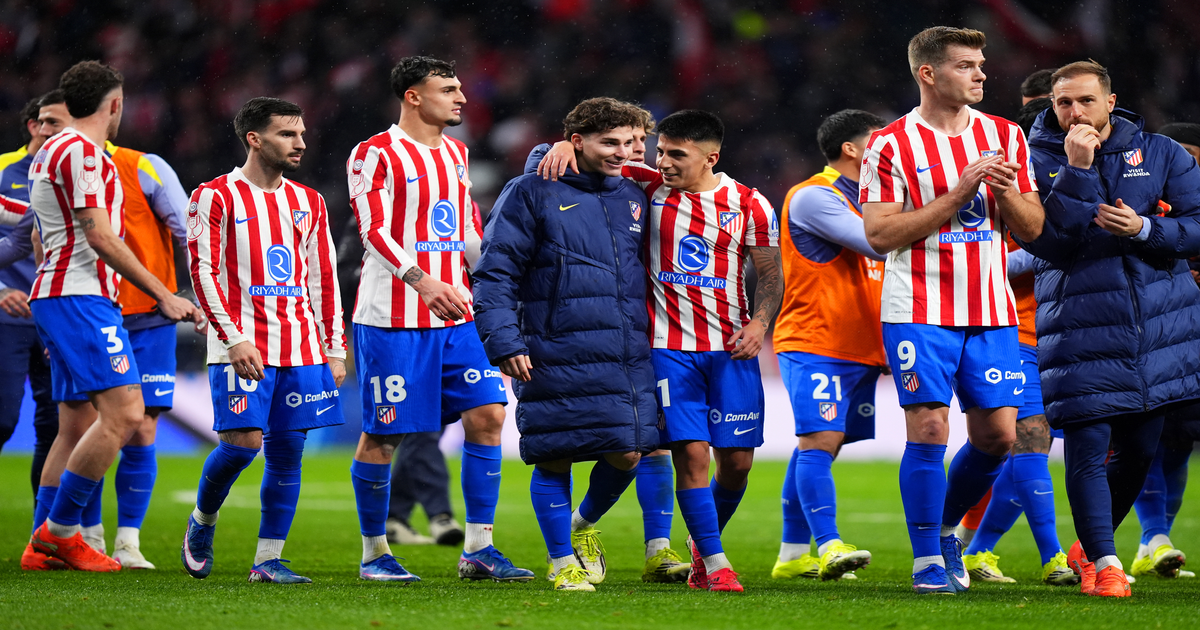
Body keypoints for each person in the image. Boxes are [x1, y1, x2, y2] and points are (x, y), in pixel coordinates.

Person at [538, 109, 782, 593]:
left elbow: (771, 275)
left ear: (711, 157)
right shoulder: (646, 187)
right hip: (667, 349)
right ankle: (715, 564)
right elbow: (586, 152)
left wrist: (759, 323)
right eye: (660, 151)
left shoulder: (751, 204)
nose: (661, 161)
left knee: (736, 465)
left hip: (730, 351)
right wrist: (557, 146)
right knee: (690, 455)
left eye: (676, 154)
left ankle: (698, 547)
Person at [860, 26, 1044, 595]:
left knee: (997, 437)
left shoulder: (1007, 136)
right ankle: (925, 561)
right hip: (916, 305)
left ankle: (943, 527)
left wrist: (1005, 192)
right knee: (931, 426)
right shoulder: (889, 144)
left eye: (981, 64)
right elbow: (880, 235)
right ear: (928, 74)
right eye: (967, 65)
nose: (982, 74)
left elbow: (1033, 229)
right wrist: (959, 194)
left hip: (991, 309)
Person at [1020, 60, 1200, 597]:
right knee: (1087, 441)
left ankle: (1089, 547)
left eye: (1085, 101)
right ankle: (1105, 563)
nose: (1074, 112)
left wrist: (1145, 228)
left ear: (1111, 101)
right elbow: (1048, 244)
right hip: (1078, 325)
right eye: (1063, 103)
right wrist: (1075, 170)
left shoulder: (1163, 153)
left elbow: (1197, 227)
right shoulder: (1033, 161)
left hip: (1157, 327)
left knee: (1141, 450)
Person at [345, 56, 523, 583]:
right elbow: (372, 229)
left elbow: (465, 228)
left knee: (489, 414)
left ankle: (478, 549)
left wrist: (496, 280)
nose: (461, 97)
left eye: (460, 88)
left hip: (458, 314)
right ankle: (375, 553)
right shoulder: (374, 152)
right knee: (384, 436)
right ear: (413, 96)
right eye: (448, 89)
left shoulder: (457, 153)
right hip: (393, 316)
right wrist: (420, 280)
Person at [473, 97, 659, 592]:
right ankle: (561, 562)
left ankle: (580, 525)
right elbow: (495, 274)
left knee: (630, 452)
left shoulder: (635, 197)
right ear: (577, 142)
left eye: (629, 143)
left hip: (624, 350)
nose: (622, 153)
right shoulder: (530, 191)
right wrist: (504, 340)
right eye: (609, 143)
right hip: (551, 345)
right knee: (554, 454)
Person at [27, 60, 200, 573]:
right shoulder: (83, 152)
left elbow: (41, 236)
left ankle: (43, 545)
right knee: (125, 415)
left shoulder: (49, 151)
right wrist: (163, 293)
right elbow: (100, 234)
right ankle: (59, 534)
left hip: (59, 295)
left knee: (75, 423)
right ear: (115, 104)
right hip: (80, 298)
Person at [181, 97, 346, 584]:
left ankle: (268, 560)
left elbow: (323, 277)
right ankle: (202, 519)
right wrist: (232, 338)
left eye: (300, 134)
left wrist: (333, 346)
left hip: (299, 347)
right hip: (241, 343)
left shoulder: (309, 201)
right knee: (241, 445)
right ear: (254, 139)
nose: (300, 143)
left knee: (287, 452)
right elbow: (203, 271)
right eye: (287, 135)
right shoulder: (214, 196)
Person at [524, 105, 689, 583]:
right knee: (559, 448)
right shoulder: (633, 182)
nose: (635, 152)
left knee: (646, 446)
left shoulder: (651, 186)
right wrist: (549, 147)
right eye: (624, 141)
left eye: (640, 141)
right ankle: (564, 556)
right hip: (581, 335)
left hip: (648, 337)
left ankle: (648, 546)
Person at [953, 89, 1076, 587]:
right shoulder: (1004, 186)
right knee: (1023, 441)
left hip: (1066, 335)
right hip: (1016, 333)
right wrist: (1056, 245)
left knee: (1029, 446)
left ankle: (975, 548)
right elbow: (990, 259)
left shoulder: (1069, 183)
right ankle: (1054, 558)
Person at [771, 109, 887, 583]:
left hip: (859, 344)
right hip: (816, 339)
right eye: (882, 142)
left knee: (823, 446)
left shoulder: (874, 198)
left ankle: (792, 554)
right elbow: (876, 243)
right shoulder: (814, 196)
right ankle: (830, 545)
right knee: (817, 441)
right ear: (853, 150)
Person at [1126, 121, 1200, 580]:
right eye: (1183, 157)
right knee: (1143, 437)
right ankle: (1154, 536)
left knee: (1181, 440)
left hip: (1192, 335)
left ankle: (1149, 542)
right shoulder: (1135, 199)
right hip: (1148, 332)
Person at [0, 94, 58, 510]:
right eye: (46, 122)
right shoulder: (3, 170)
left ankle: (44, 529)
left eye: (62, 123)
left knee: (55, 426)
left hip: (56, 316)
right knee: (2, 420)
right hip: (7, 317)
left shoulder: (75, 174)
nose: (53, 131)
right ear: (31, 126)